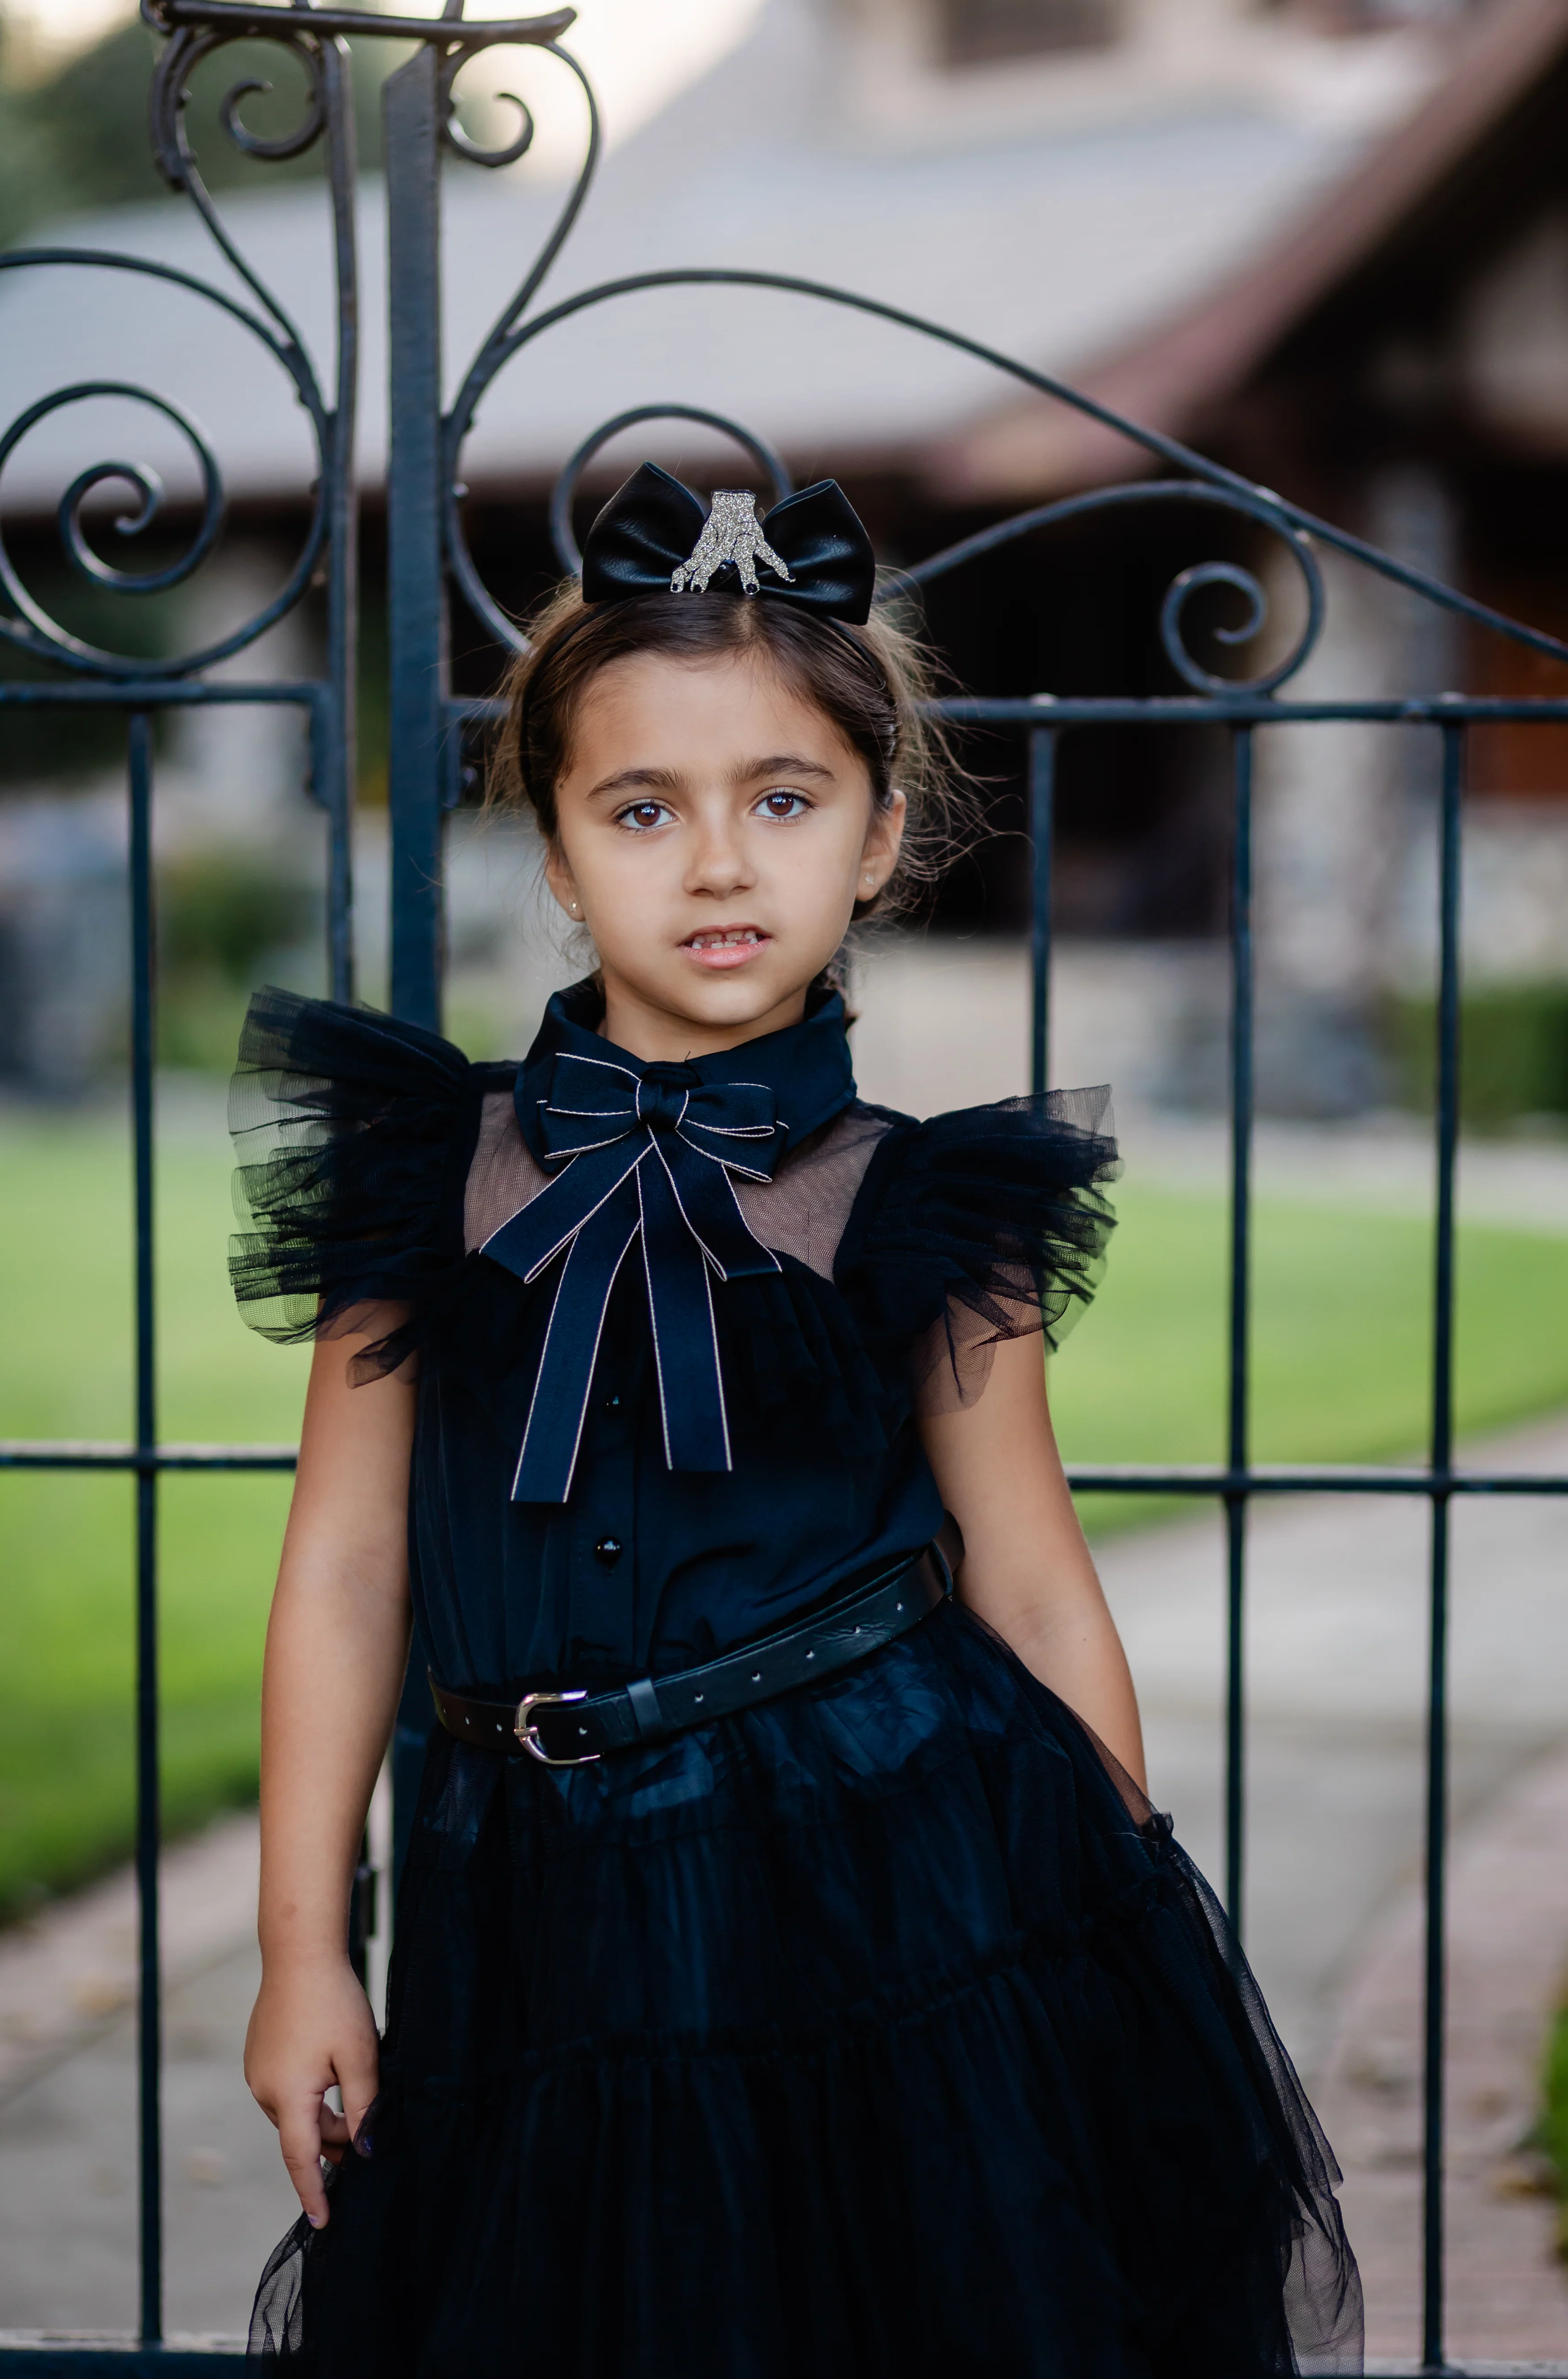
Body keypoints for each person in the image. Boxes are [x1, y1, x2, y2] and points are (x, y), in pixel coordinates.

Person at [232, 464, 1361, 2377]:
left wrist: (1107, 1947)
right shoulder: (432, 1178)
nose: (721, 863)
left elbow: (1036, 1584)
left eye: (783, 799)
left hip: (895, 1893)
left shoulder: (928, 1205)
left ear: (879, 832)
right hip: (529, 1912)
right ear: (562, 853)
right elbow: (344, 1572)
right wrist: (296, 1945)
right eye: (644, 809)